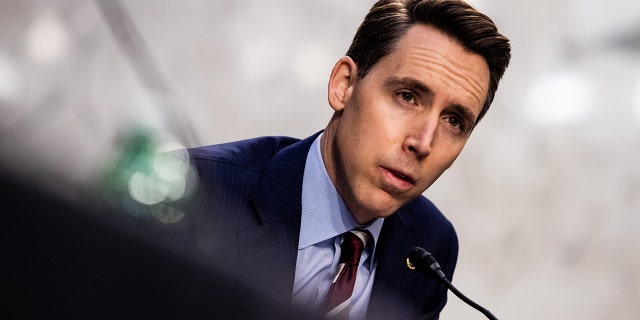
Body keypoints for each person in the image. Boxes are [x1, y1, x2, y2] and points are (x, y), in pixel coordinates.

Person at [177, 0, 511, 319]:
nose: (423, 143)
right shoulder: (196, 191)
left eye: (454, 121)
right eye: (407, 96)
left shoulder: (431, 244)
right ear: (344, 85)